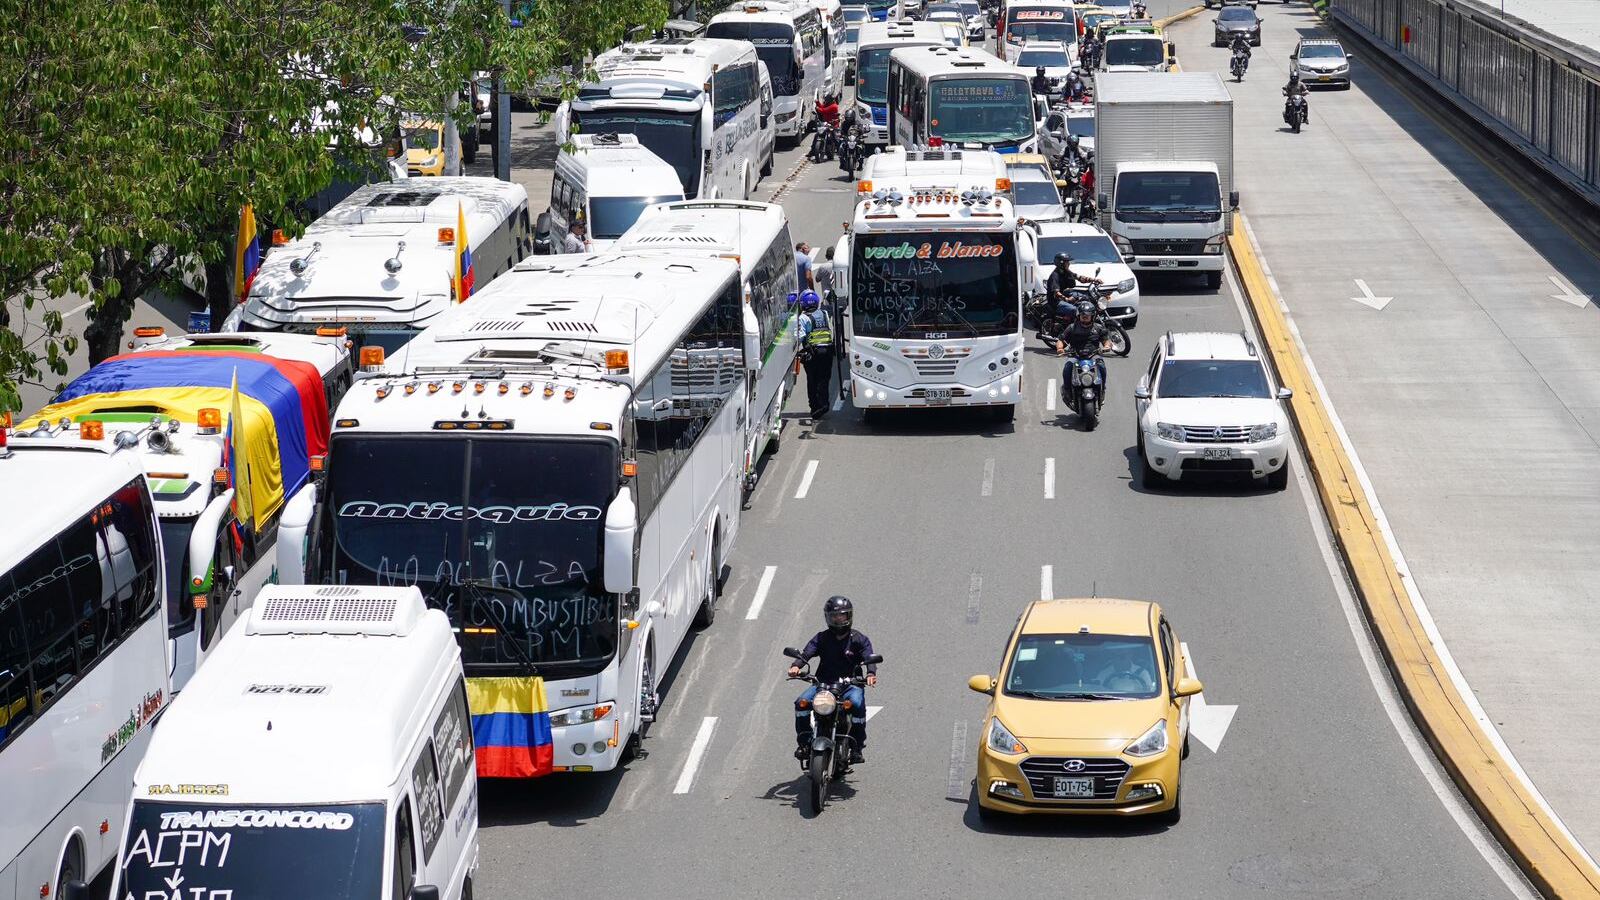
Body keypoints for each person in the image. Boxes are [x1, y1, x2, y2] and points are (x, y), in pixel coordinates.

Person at [787, 596, 878, 764]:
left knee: (857, 704)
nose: (838, 619)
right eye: (834, 616)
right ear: (828, 617)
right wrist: (796, 666)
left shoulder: (858, 639)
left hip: (851, 684)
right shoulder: (822, 638)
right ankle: (805, 743)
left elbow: (869, 656)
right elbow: (806, 653)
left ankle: (857, 747)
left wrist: (871, 673)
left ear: (848, 616)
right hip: (823, 684)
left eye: (842, 615)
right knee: (801, 703)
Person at [1056, 301, 1111, 399]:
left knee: (1102, 366)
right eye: (1083, 315)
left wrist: (1107, 347)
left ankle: (1103, 389)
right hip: (1075, 355)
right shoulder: (1072, 327)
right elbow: (1061, 340)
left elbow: (1106, 341)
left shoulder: (1098, 328)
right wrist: (1060, 348)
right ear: (1079, 315)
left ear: (1092, 316)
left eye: (1087, 316)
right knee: (1067, 368)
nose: (1085, 317)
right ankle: (1067, 390)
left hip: (1094, 355)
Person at [795, 290, 834, 421]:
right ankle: (824, 403)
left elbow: (800, 337)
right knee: (824, 378)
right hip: (828, 351)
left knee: (812, 380)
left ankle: (815, 407)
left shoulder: (803, 318)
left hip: (812, 354)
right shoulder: (825, 313)